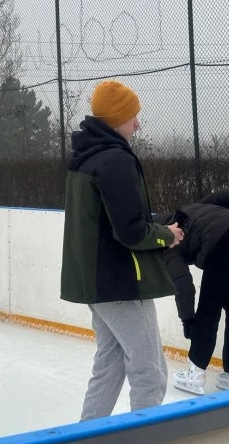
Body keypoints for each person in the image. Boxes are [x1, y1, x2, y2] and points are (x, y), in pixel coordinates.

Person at [61, 80, 184, 421]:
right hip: (120, 283)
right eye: (133, 116)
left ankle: (85, 442)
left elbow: (103, 221)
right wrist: (166, 235)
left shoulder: (85, 158)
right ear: (117, 118)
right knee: (151, 373)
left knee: (111, 362)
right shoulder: (115, 160)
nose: (138, 124)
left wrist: (154, 224)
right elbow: (129, 232)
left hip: (96, 283)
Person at [153, 190, 229, 395]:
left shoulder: (167, 242)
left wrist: (187, 320)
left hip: (223, 241)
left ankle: (195, 375)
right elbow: (223, 196)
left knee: (208, 307)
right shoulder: (191, 210)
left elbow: (183, 285)